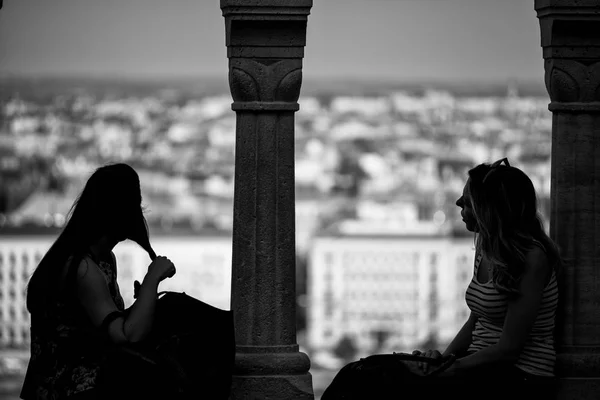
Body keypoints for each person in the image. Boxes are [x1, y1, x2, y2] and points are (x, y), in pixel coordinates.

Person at [322, 158, 562, 400]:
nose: (458, 202)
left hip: (518, 378)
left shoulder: (532, 259)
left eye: (467, 201)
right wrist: (443, 359)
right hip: (476, 367)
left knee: (375, 382)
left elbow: (509, 349)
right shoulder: (485, 247)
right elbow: (474, 323)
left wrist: (447, 369)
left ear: (488, 209)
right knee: (357, 373)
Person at [20, 163, 177, 400]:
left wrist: (144, 301)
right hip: (72, 392)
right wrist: (152, 279)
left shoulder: (99, 260)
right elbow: (127, 336)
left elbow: (99, 323)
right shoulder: (83, 269)